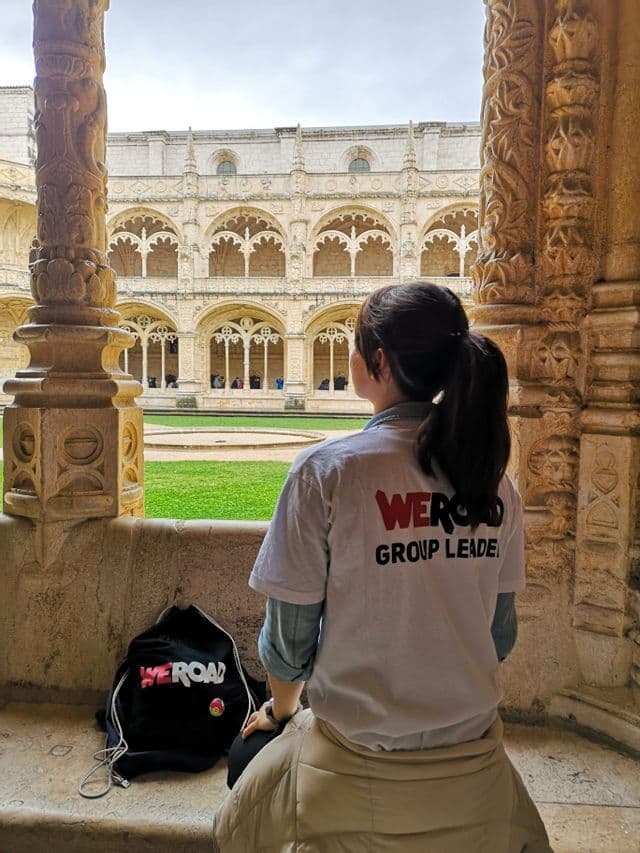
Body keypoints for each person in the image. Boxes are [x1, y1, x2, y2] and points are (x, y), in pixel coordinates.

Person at [214, 282, 550, 852]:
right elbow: (499, 635)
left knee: (239, 789)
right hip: (473, 763)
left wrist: (280, 711)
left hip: (351, 766)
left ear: (377, 361)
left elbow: (289, 646)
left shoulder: (327, 472)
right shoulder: (494, 482)